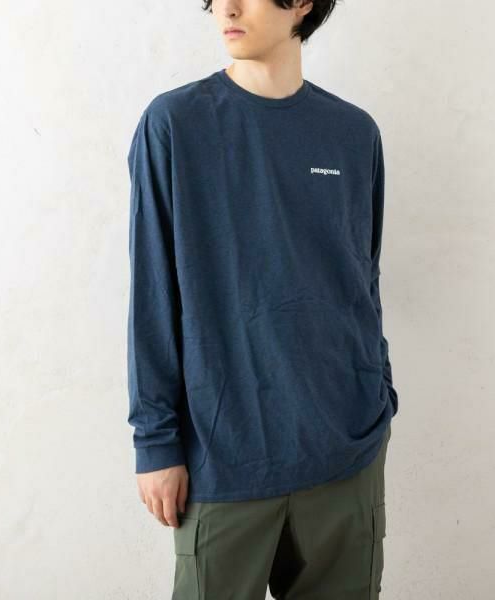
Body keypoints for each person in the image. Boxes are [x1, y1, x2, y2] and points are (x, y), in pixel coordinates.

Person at [126, 1, 399, 597]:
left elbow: (363, 280)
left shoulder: (354, 134)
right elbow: (152, 293)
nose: (225, 8)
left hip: (346, 453)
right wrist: (155, 442)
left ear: (301, 2)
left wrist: (378, 392)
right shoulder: (175, 124)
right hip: (222, 459)